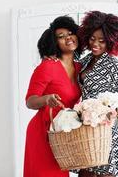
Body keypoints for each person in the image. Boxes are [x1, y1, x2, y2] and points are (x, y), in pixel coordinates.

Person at [76, 11, 118, 177]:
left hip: (108, 131)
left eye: (102, 40)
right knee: (86, 172)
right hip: (88, 129)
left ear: (112, 41)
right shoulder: (84, 62)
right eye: (92, 39)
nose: (96, 44)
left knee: (105, 173)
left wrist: (109, 108)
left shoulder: (113, 66)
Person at [24, 16, 82, 177]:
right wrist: (46, 99)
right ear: (54, 42)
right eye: (61, 36)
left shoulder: (81, 68)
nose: (68, 38)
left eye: (71, 33)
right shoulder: (48, 66)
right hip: (44, 132)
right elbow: (30, 101)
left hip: (64, 132)